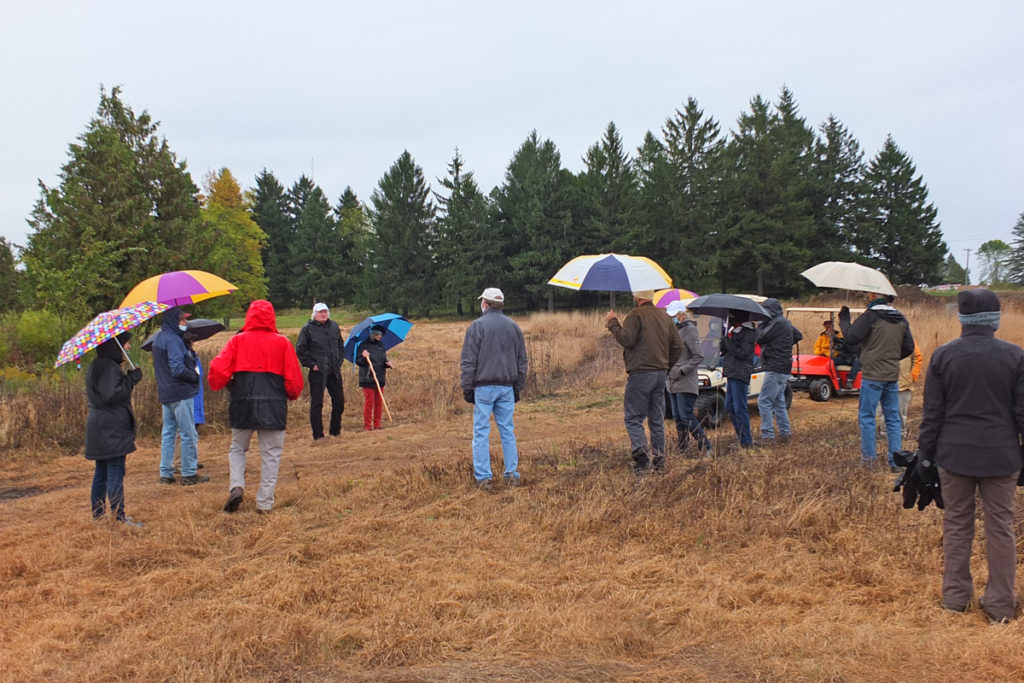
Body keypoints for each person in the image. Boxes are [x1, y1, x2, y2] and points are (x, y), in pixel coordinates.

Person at [916, 289, 1024, 624]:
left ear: (961, 318)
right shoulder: (1015, 356)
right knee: (1001, 528)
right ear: (995, 320)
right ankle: (1001, 605)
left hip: (954, 455)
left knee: (957, 524)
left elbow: (933, 413)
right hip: (1002, 456)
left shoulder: (944, 356)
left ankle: (955, 597)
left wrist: (925, 456)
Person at [208, 299, 304, 515]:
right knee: (271, 454)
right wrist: (291, 395)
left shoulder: (237, 341)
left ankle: (237, 485)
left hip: (242, 403)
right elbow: (294, 380)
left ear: (249, 316)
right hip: (273, 405)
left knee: (237, 449)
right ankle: (264, 503)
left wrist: (224, 384)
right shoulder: (282, 343)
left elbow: (217, 370)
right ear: (272, 317)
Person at [606, 289, 683, 472]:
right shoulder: (664, 316)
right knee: (656, 418)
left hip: (640, 373)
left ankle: (641, 459)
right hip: (660, 373)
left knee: (634, 417)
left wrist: (613, 323)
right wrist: (666, 366)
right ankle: (659, 459)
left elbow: (627, 339)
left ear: (637, 297)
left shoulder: (635, 315)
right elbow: (678, 346)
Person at [460, 287, 528, 490]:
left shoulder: (477, 326)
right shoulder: (514, 327)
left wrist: (467, 387)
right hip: (507, 387)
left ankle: (483, 477)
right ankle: (512, 474)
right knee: (507, 430)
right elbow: (522, 361)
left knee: (481, 431)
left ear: (485, 304)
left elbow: (468, 361)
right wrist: (518, 387)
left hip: (484, 387)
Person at [839, 293, 914, 468]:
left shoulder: (870, 316)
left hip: (872, 375)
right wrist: (892, 358)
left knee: (867, 417)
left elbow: (850, 338)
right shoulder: (900, 318)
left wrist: (844, 318)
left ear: (873, 299)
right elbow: (909, 347)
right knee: (893, 418)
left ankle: (869, 461)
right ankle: (896, 462)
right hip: (891, 375)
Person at [85, 331, 143, 527]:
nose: (128, 347)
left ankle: (98, 515)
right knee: (114, 470)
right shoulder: (109, 367)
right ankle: (119, 518)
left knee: (101, 471)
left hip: (100, 425)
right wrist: (131, 380)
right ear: (115, 346)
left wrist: (127, 379)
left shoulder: (97, 365)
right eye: (125, 344)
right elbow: (112, 396)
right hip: (111, 427)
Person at [152, 306, 208, 485]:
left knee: (168, 433)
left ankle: (166, 472)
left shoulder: (159, 339)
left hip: (166, 393)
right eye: (182, 320)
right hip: (180, 393)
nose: (185, 323)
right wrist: (194, 377)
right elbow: (177, 368)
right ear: (174, 321)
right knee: (188, 432)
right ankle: (189, 472)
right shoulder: (174, 340)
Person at [665, 300, 711, 455]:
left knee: (686, 416)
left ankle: (706, 447)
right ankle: (683, 448)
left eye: (675, 315)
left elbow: (698, 356)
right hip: (672, 381)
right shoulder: (673, 330)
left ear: (682, 314)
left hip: (685, 381)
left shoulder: (690, 330)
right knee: (678, 417)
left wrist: (681, 371)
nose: (673, 318)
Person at [295, 302, 345, 440]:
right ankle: (318, 435)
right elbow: (300, 349)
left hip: (334, 370)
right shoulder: (307, 329)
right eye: (320, 312)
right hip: (318, 371)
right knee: (317, 403)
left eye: (325, 312)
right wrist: (312, 365)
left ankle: (335, 431)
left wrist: (339, 360)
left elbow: (340, 345)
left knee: (339, 401)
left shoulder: (334, 326)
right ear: (314, 314)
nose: (323, 314)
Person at [756, 299, 802, 442]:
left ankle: (768, 435)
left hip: (775, 366)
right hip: (784, 366)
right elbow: (798, 335)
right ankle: (785, 433)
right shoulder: (785, 323)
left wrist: (760, 325)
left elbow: (760, 338)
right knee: (778, 402)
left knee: (764, 401)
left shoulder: (777, 323)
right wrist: (784, 343)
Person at [720, 311, 757, 448]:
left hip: (740, 372)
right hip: (732, 371)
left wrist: (728, 343)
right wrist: (723, 345)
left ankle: (746, 441)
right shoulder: (736, 331)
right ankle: (742, 438)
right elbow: (729, 352)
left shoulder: (748, 333)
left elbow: (743, 353)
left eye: (732, 318)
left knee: (739, 407)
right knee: (729, 406)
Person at [877, 339, 923, 438]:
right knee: (883, 410)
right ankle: (884, 432)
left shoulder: (909, 340)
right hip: (884, 381)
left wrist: (913, 376)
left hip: (903, 383)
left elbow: (917, 358)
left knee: (901, 411)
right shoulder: (881, 338)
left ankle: (901, 433)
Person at [355, 325, 393, 430]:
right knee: (369, 402)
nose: (379, 336)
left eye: (381, 335)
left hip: (380, 376)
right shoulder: (363, 345)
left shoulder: (381, 346)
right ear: (372, 334)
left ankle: (377, 425)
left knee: (379, 402)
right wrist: (363, 357)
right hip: (367, 378)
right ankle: (367, 426)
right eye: (377, 334)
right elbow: (358, 361)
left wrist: (387, 364)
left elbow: (383, 360)